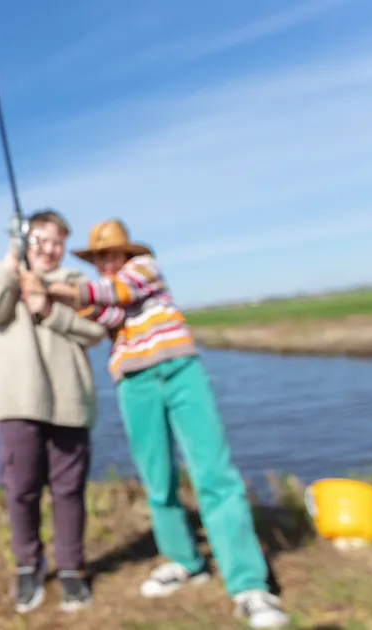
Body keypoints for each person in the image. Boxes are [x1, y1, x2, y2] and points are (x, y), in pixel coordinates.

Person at [46, 219, 290, 629]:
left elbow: (114, 292)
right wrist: (44, 296)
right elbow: (96, 311)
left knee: (214, 473)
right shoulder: (103, 291)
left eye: (112, 253)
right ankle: (184, 561)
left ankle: (249, 584)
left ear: (128, 252)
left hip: (179, 371)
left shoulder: (144, 270)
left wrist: (58, 290)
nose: (107, 262)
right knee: (157, 480)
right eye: (99, 257)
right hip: (134, 383)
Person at [0, 209, 109, 614]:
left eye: (57, 242)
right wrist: (11, 268)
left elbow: (97, 329)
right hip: (18, 402)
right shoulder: (4, 277)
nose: (50, 249)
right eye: (41, 241)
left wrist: (47, 307)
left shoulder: (76, 283)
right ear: (25, 243)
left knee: (69, 491)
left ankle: (71, 567)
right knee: (21, 489)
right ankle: (28, 564)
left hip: (70, 401)